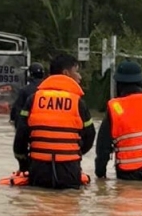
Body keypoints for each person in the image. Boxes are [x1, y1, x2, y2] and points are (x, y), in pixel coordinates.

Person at [13, 54, 95, 188]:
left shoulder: (33, 99)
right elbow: (90, 136)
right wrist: (75, 154)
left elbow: (20, 137)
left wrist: (24, 164)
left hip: (38, 171)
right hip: (69, 172)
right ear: (66, 73)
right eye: (77, 71)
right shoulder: (78, 103)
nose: (79, 77)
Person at [95, 61, 142, 182]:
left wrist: (100, 174)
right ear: (141, 83)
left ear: (118, 85)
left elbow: (103, 148)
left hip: (128, 176)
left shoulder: (115, 108)